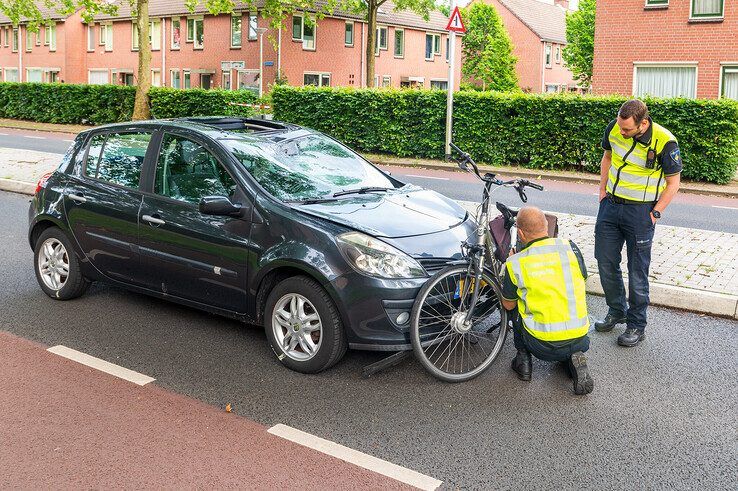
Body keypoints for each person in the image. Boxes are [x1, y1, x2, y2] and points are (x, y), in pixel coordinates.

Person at [594, 99, 682, 347]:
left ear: (643, 123)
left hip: (641, 213)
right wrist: (602, 191)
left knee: (637, 270)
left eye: (627, 129)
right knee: (605, 260)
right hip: (610, 206)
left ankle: (636, 325)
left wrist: (655, 214)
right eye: (620, 127)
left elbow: (673, 183)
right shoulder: (614, 127)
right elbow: (608, 157)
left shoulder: (665, 141)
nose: (621, 132)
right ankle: (616, 310)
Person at [501, 207, 593, 396]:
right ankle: (571, 357)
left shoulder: (516, 263)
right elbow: (582, 279)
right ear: (546, 226)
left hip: (540, 346)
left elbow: (508, 304)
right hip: (580, 339)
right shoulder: (571, 248)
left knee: (514, 304)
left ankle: (523, 361)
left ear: (520, 233)